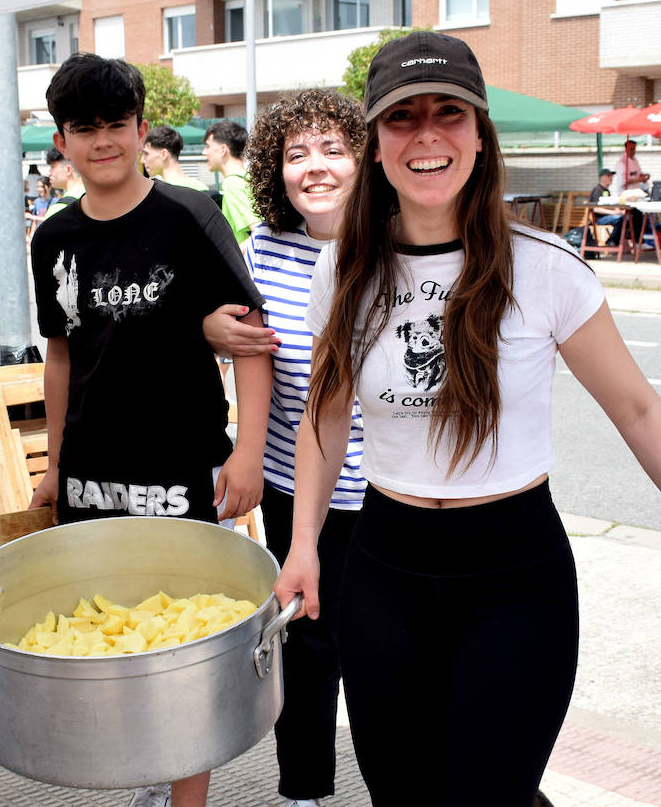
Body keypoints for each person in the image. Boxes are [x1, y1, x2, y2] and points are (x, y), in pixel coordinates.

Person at [273, 31, 661, 807]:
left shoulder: (545, 266)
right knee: (401, 791)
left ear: (480, 134)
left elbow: (637, 409)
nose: (427, 135)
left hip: (512, 575)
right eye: (403, 118)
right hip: (383, 565)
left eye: (449, 113)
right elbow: (325, 416)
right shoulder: (345, 268)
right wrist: (301, 546)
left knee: (487, 793)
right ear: (378, 145)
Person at [28, 53, 271, 807]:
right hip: (92, 466)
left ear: (141, 131)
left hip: (181, 461)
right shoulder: (52, 239)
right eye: (83, 128)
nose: (101, 141)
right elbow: (61, 354)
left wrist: (251, 457)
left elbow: (253, 338)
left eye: (115, 125)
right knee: (115, 636)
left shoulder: (189, 215)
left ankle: (185, 792)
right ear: (62, 139)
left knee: (184, 642)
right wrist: (55, 460)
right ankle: (147, 774)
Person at [201, 89, 366, 807]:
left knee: (385, 653)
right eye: (297, 153)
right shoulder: (263, 245)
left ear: (366, 160)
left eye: (334, 148)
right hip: (292, 484)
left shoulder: (397, 241)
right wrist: (211, 327)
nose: (316, 167)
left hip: (395, 491)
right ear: (274, 169)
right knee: (306, 649)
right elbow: (233, 333)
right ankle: (305, 793)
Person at [204, 119, 261, 244]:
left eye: (208, 146)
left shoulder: (232, 183)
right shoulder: (250, 179)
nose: (204, 152)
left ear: (223, 149)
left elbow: (259, 233)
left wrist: (230, 258)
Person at [141, 125, 209, 191]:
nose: (142, 160)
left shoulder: (162, 193)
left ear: (164, 154)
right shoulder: (201, 187)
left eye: (146, 153)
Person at [587, 167, 634, 247]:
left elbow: (609, 205)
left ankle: (619, 240)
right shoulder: (597, 190)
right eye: (608, 176)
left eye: (611, 176)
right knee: (621, 219)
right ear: (602, 177)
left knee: (629, 217)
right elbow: (595, 208)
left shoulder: (607, 191)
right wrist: (614, 212)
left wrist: (619, 210)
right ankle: (612, 240)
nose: (611, 178)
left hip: (609, 216)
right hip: (599, 219)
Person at [44, 145, 84, 217]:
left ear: (68, 169)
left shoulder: (57, 210)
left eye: (53, 167)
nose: (49, 173)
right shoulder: (99, 198)